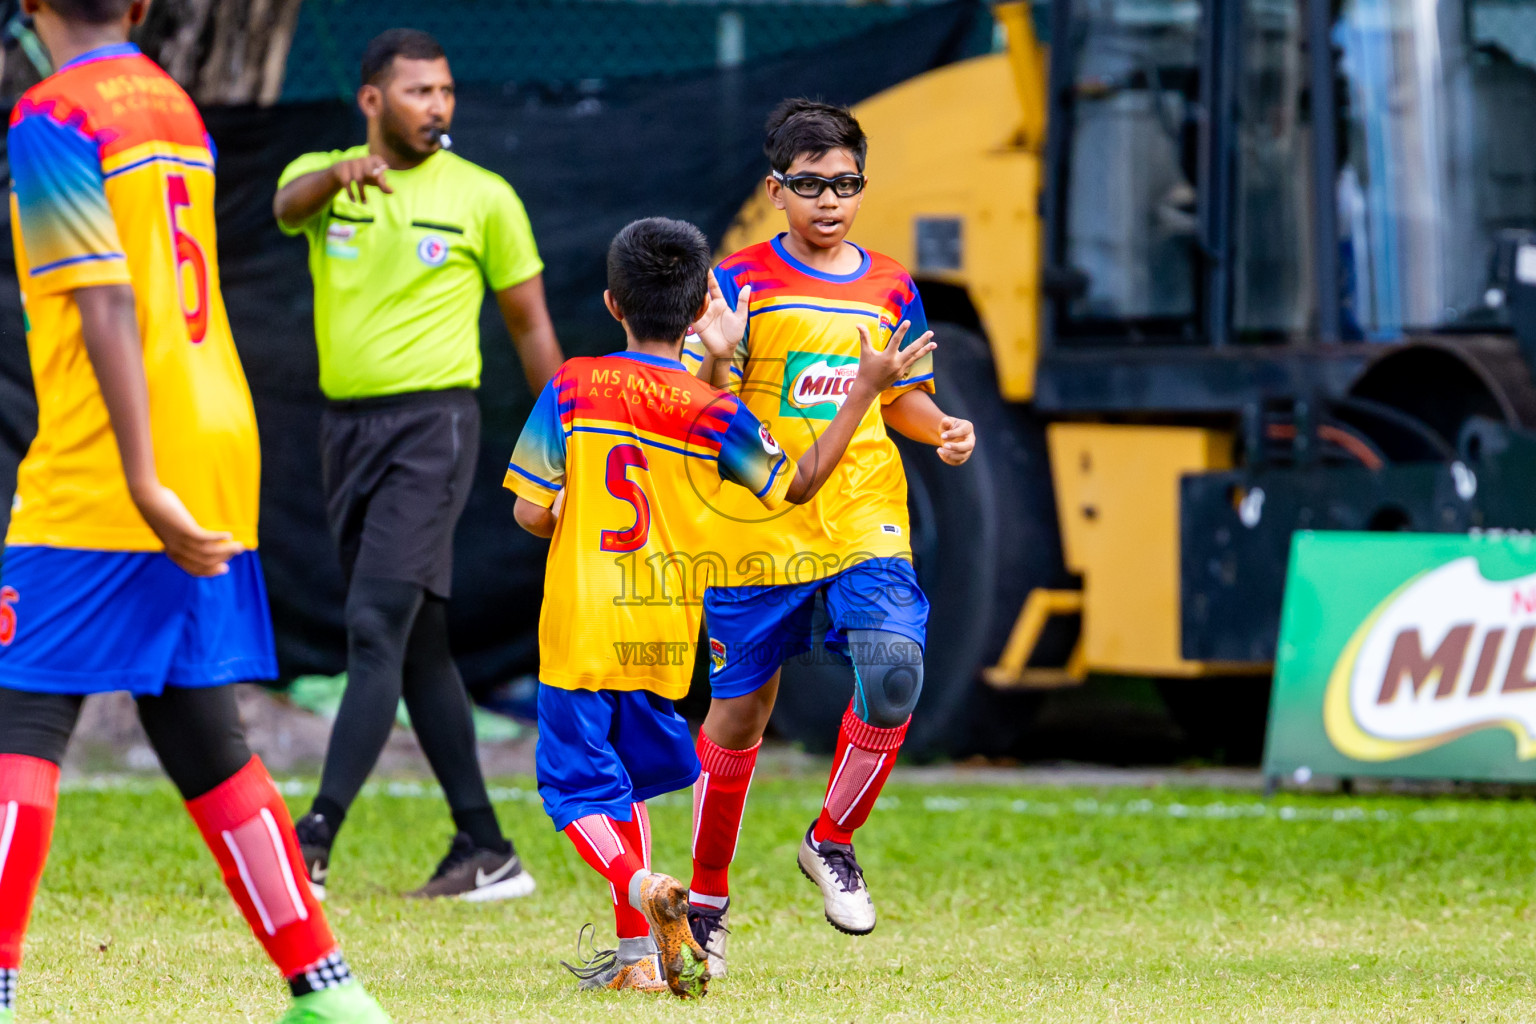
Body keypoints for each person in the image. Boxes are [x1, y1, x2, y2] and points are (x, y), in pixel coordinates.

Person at [0, 2, 391, 1021]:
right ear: (136, 7)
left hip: (117, 455)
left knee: (21, 711)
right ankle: (328, 989)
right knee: (202, 728)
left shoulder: (54, 117)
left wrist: (140, 480)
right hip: (220, 431)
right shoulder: (173, 107)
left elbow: (108, 302)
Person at [504, 217, 933, 995]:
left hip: (584, 617)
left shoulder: (573, 384)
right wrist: (861, 391)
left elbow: (531, 514)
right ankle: (638, 960)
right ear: (707, 299)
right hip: (667, 625)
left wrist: (567, 507)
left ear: (611, 303)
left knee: (574, 789)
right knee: (628, 782)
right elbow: (797, 484)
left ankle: (643, 890)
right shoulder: (714, 408)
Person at [683, 99, 977, 968]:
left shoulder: (890, 285)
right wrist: (716, 355)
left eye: (846, 184)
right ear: (777, 190)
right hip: (761, 521)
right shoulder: (735, 282)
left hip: (864, 511)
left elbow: (903, 396)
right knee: (740, 717)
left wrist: (943, 426)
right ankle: (705, 898)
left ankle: (833, 840)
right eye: (810, 184)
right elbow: (703, 392)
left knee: (894, 674)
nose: (831, 201)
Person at [272, 28, 562, 900]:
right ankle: (485, 846)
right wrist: (337, 177)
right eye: (417, 91)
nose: (437, 105)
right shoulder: (326, 178)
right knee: (416, 643)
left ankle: (312, 840)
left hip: (433, 429)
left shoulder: (485, 198)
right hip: (345, 435)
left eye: (445, 90)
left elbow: (532, 330)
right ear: (372, 101)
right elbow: (286, 204)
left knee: (371, 626)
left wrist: (572, 444)